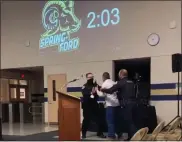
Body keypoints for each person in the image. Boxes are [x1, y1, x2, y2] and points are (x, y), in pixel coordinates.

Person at [101, 69, 137, 140]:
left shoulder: (121, 82)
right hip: (134, 103)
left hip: (126, 104)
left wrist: (102, 89)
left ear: (121, 75)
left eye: (118, 74)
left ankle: (133, 138)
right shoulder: (132, 82)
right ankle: (131, 137)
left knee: (128, 121)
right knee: (132, 121)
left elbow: (111, 90)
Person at [96, 72, 121, 140]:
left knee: (110, 121)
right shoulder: (113, 82)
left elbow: (102, 95)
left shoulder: (105, 83)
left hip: (110, 105)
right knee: (117, 120)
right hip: (117, 104)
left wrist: (96, 90)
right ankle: (119, 134)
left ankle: (111, 136)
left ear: (103, 77)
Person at [81, 73, 106, 139]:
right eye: (89, 77)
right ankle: (83, 133)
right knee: (86, 120)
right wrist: (91, 93)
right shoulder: (84, 86)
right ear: (87, 78)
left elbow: (99, 93)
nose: (91, 78)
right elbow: (85, 95)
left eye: (92, 77)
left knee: (100, 119)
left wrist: (98, 89)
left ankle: (100, 133)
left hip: (94, 105)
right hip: (87, 106)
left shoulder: (96, 85)